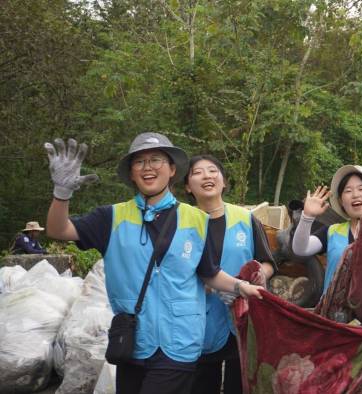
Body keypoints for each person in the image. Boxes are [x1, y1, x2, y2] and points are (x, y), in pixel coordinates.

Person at [44, 134, 263, 394]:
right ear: (132, 174)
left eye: (156, 159)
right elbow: (59, 230)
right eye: (140, 162)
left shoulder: (195, 219)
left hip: (180, 342)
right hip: (133, 341)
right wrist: (62, 193)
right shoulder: (111, 217)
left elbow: (209, 273)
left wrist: (240, 287)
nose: (148, 167)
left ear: (171, 170)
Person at [184, 154, 276, 394]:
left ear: (223, 181)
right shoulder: (181, 223)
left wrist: (256, 276)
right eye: (197, 172)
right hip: (198, 321)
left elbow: (267, 263)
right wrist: (218, 286)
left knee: (242, 384)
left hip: (244, 320)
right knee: (202, 384)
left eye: (213, 170)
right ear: (187, 186)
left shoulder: (245, 219)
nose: (207, 176)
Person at [292, 165, 362, 294]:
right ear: (341, 201)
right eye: (348, 191)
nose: (355, 195)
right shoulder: (332, 232)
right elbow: (301, 249)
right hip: (331, 311)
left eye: (361, 189)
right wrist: (307, 216)